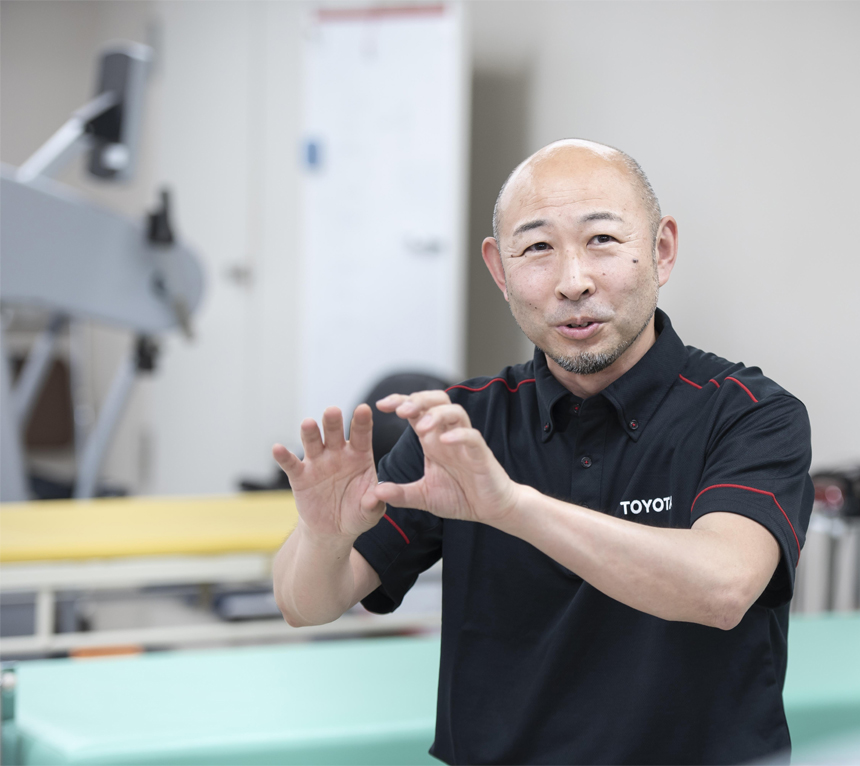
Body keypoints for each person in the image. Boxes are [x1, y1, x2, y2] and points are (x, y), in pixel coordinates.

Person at [271, 139, 813, 765]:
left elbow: (722, 587)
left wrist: (511, 507)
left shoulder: (749, 412)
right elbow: (304, 605)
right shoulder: (462, 425)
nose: (573, 282)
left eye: (602, 240)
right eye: (537, 249)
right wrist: (326, 538)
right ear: (500, 271)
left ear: (661, 250)